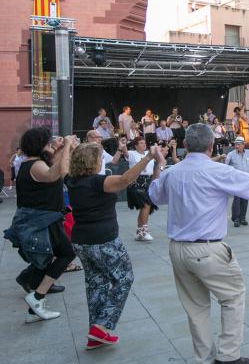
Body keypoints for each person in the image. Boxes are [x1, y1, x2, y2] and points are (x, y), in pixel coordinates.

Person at [149, 123, 249, 364]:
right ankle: (228, 356)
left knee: (196, 307)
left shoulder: (173, 172)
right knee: (232, 297)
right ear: (211, 145)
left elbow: (154, 194)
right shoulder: (216, 170)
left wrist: (158, 161)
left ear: (185, 145)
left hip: (177, 249)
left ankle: (205, 358)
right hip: (207, 248)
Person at [66, 143, 159, 350]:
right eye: (99, 158)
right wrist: (148, 157)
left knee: (96, 284)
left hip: (81, 241)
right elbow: (125, 179)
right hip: (103, 240)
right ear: (92, 161)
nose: (101, 161)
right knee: (124, 278)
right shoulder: (97, 182)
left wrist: (67, 147)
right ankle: (101, 325)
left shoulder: (71, 180)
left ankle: (96, 334)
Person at [6, 128, 77, 321]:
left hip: (45, 219)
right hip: (42, 220)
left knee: (48, 257)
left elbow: (56, 166)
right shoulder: (36, 165)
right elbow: (58, 172)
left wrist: (63, 148)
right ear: (39, 145)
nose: (51, 145)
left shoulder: (36, 163)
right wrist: (68, 146)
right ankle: (37, 297)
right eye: (48, 142)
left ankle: (31, 290)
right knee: (66, 254)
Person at [122, 137, 157, 241]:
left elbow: (161, 154)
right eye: (141, 143)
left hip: (147, 182)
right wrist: (123, 144)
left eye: (144, 143)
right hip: (136, 182)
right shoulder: (132, 154)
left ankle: (139, 231)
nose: (143, 144)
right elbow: (125, 152)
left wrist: (170, 146)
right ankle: (144, 230)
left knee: (145, 207)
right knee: (146, 205)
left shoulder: (149, 153)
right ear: (136, 145)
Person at [225, 136, 249, 227]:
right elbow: (226, 166)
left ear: (243, 145)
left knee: (245, 199)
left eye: (238, 144)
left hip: (247, 180)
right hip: (236, 181)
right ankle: (236, 219)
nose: (236, 146)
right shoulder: (231, 154)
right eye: (235, 144)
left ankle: (243, 218)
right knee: (237, 199)